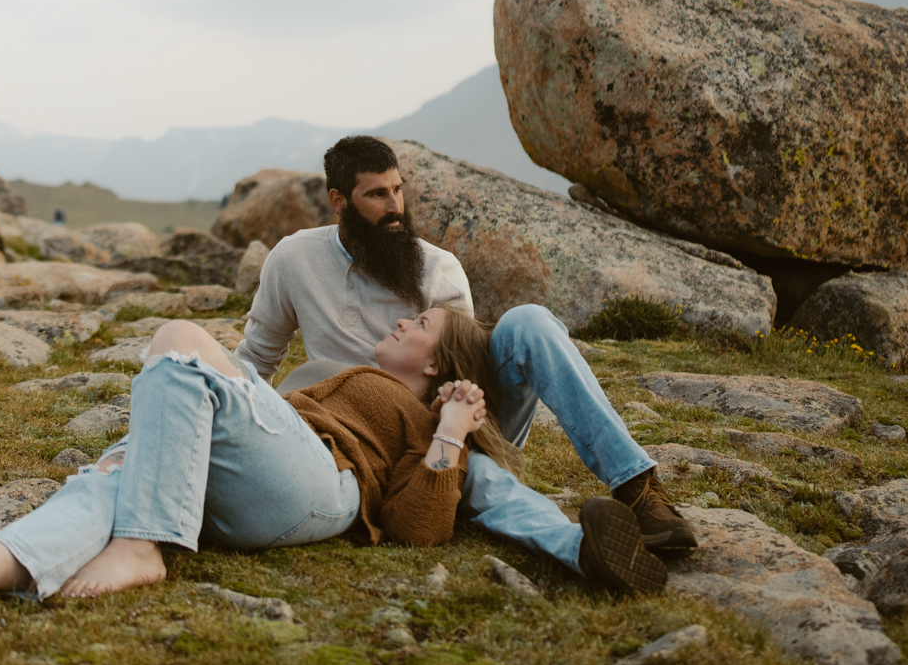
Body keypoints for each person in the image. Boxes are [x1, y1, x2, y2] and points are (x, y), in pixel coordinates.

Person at [0, 300, 666, 609]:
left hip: (315, 488)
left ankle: (141, 547)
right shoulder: (350, 380)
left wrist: (453, 435)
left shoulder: (431, 417)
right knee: (112, 473)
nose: (401, 321)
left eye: (419, 321)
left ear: (437, 363)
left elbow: (426, 524)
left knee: (180, 342)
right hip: (253, 483)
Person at [233, 134, 696, 592]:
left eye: (398, 189)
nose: (395, 207)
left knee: (527, 323)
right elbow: (255, 359)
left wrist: (450, 421)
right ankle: (584, 551)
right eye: (376, 194)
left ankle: (638, 488)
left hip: (456, 414)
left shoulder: (439, 269)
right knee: (481, 480)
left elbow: (462, 364)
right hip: (370, 437)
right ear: (339, 201)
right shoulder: (294, 260)